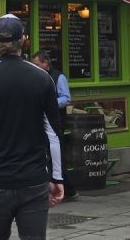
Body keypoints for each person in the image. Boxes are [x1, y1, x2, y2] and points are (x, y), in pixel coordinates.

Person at [0, 15, 64, 240]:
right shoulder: (43, 79)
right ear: (23, 40)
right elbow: (54, 133)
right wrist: (57, 178)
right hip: (34, 181)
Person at [31, 48, 75, 201]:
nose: (35, 67)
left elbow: (66, 98)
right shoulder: (36, 77)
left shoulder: (58, 77)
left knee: (56, 156)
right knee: (47, 155)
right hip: (41, 122)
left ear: (46, 63)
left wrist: (49, 104)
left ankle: (68, 188)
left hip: (56, 122)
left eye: (37, 64)